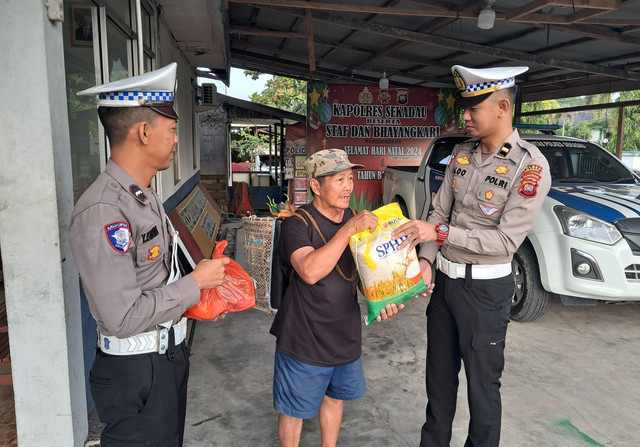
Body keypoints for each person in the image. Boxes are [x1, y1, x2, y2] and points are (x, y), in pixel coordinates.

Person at [69, 62, 230, 447]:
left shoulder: (142, 196)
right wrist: (195, 284)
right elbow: (122, 317)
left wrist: (200, 288)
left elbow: (157, 278)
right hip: (135, 372)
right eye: (172, 130)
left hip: (165, 359)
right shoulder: (104, 211)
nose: (177, 140)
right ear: (143, 132)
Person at [392, 65, 552, 447]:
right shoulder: (461, 156)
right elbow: (437, 212)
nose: (464, 116)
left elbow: (504, 242)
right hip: (445, 288)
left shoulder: (530, 167)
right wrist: (428, 260)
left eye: (472, 107)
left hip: (485, 294)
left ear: (501, 107)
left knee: (482, 393)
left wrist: (440, 234)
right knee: (438, 388)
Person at [270, 149, 403, 447]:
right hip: (304, 336)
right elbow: (309, 270)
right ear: (316, 186)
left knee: (334, 398)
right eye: (339, 179)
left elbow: (367, 274)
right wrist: (347, 231)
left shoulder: (357, 220)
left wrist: (381, 300)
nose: (348, 187)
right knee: (294, 410)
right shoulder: (297, 223)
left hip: (344, 334)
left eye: (350, 178)